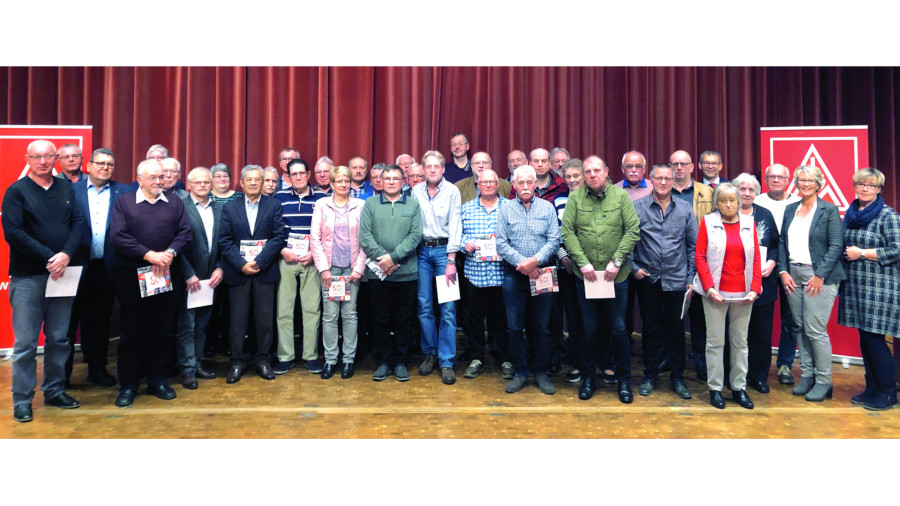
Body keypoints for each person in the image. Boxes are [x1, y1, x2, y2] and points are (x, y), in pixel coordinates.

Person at [3, 140, 85, 423]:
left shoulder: (66, 188)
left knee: (59, 338)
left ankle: (54, 390)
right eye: (36, 157)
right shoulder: (16, 191)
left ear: (56, 158)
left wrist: (66, 255)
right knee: (26, 344)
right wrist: (51, 257)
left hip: (64, 273)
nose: (43, 161)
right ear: (27, 159)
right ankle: (22, 399)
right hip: (29, 276)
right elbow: (13, 232)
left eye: (48, 156)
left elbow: (78, 223)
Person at [110, 159, 191, 408]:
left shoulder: (174, 202)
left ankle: (158, 380)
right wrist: (149, 255)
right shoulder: (124, 202)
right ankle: (129, 384)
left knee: (162, 329)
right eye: (153, 177)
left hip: (164, 274)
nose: (159, 181)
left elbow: (185, 232)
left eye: (162, 177)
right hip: (132, 276)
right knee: (132, 331)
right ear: (139, 179)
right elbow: (118, 236)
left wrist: (169, 253)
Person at [561, 156, 640, 403]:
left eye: (597, 170)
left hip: (616, 275)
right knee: (589, 328)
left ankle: (624, 381)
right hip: (586, 275)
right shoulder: (575, 198)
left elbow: (633, 230)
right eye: (588, 171)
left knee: (618, 328)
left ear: (606, 171)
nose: (592, 174)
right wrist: (582, 262)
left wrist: (617, 261)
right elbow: (567, 232)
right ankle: (588, 379)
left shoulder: (621, 197)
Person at [778, 165, 845, 402]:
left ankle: (824, 380)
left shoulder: (829, 210)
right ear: (796, 183)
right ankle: (807, 376)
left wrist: (820, 275)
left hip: (819, 276)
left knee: (815, 329)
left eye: (810, 180)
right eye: (801, 180)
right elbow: (782, 242)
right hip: (793, 274)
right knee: (799, 327)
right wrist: (783, 271)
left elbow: (836, 245)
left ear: (819, 184)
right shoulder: (790, 209)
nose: (805, 184)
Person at [631, 163, 697, 399]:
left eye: (667, 178)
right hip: (648, 279)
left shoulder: (685, 208)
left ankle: (677, 378)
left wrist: (690, 277)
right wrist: (634, 269)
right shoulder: (638, 207)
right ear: (651, 179)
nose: (663, 182)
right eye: (658, 178)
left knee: (676, 330)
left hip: (677, 279)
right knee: (650, 328)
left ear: (672, 181)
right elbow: (626, 241)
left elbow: (693, 246)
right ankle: (650, 375)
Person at [694, 182, 761, 410]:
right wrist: (709, 287)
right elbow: (700, 257)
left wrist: (755, 288)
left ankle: (738, 388)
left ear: (739, 202)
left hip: (744, 294)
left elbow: (756, 258)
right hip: (715, 293)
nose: (729, 204)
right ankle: (715, 388)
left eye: (732, 200)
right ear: (717, 203)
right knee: (715, 343)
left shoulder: (749, 223)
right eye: (723, 201)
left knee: (740, 343)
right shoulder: (708, 222)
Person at [66, 148, 129, 388]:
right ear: (89, 166)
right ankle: (62, 375)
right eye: (100, 163)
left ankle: (97, 369)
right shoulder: (71, 191)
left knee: (100, 321)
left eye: (110, 164)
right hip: (73, 266)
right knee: (68, 322)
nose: (105, 167)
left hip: (107, 266)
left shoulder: (124, 192)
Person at [839, 168, 900, 410]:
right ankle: (872, 388)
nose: (865, 188)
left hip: (880, 286)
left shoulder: (888, 215)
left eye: (871, 185)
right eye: (861, 184)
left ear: (879, 189)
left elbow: (896, 249)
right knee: (865, 339)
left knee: (875, 339)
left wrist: (862, 253)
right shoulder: (851, 214)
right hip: (855, 284)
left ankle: (888, 392)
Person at [496, 165, 560, 395]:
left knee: (542, 327)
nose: (525, 186)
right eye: (520, 182)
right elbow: (501, 243)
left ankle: (540, 372)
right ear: (514, 185)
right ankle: (521, 372)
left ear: (535, 184)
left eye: (529, 182)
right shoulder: (505, 209)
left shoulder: (547, 207)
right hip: (514, 274)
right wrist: (524, 265)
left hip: (544, 273)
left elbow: (554, 240)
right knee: (514, 327)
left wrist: (535, 261)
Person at [219, 165, 286, 384]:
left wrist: (259, 262)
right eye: (249, 179)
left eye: (258, 179)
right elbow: (225, 241)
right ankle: (237, 362)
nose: (254, 183)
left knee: (265, 319)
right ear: (241, 182)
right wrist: (241, 265)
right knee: (237, 320)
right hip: (238, 272)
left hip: (264, 271)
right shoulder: (230, 207)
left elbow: (278, 237)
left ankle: (263, 360)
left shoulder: (274, 205)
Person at [359, 165, 423, 382]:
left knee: (404, 320)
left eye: (396, 178)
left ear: (403, 182)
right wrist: (383, 259)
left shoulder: (413, 204)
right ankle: (384, 361)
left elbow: (415, 235)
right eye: (387, 178)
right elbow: (365, 235)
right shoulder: (370, 204)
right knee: (380, 320)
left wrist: (393, 258)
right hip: (378, 274)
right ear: (381, 181)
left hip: (406, 273)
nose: (392, 182)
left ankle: (401, 362)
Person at [310, 166, 367, 379]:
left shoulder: (360, 205)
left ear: (351, 183)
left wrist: (359, 269)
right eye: (339, 181)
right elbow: (315, 239)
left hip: (351, 269)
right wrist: (324, 269)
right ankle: (330, 360)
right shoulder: (322, 205)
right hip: (331, 270)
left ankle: (348, 360)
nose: (343, 184)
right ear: (332, 184)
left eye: (346, 181)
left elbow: (366, 239)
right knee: (330, 316)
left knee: (350, 315)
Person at [412, 150, 462, 385]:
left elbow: (456, 225)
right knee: (424, 305)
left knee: (448, 308)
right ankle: (429, 353)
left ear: (443, 169)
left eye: (436, 166)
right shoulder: (416, 191)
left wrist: (452, 260)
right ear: (423, 170)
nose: (432, 170)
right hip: (421, 252)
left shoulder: (452, 191)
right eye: (428, 166)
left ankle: (446, 360)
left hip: (444, 252)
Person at [273, 158, 326, 374]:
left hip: (312, 260)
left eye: (301, 173)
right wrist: (282, 249)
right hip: (286, 259)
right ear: (288, 177)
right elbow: (273, 228)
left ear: (308, 174)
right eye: (293, 174)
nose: (298, 177)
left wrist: (314, 253)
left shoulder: (322, 198)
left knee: (311, 310)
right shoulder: (279, 198)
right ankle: (285, 356)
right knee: (284, 310)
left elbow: (327, 231)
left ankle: (310, 356)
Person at [174, 167, 224, 389]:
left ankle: (197, 362)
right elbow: (175, 243)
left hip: (210, 278)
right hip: (188, 278)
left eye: (206, 182)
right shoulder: (180, 207)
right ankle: (187, 369)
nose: (203, 185)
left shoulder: (219, 208)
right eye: (198, 182)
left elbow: (225, 241)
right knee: (187, 325)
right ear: (189, 185)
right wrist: (188, 274)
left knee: (202, 324)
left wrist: (220, 267)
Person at [458, 169, 509, 379]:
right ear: (477, 185)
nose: (487, 185)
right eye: (483, 182)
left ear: (498, 184)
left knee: (502, 319)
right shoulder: (466, 208)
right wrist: (465, 243)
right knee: (474, 319)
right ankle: (476, 358)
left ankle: (505, 358)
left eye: (491, 182)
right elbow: (457, 235)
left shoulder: (509, 207)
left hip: (501, 274)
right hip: (474, 274)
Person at [754, 163, 801, 385]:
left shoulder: (798, 203)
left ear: (788, 180)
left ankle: (784, 364)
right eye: (771, 176)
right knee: (759, 320)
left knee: (790, 319)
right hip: (765, 268)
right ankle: (753, 366)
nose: (775, 180)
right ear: (765, 180)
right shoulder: (756, 201)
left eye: (780, 177)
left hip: (791, 268)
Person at [669, 149, 714, 381]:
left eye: (683, 164)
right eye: (674, 164)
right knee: (671, 317)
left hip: (702, 261)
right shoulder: (662, 190)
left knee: (700, 317)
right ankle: (669, 361)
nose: (679, 168)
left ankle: (701, 363)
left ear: (692, 167)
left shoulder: (707, 192)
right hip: (672, 264)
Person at [733, 173, 779, 394]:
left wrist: (772, 262)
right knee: (735, 334)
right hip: (732, 284)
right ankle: (734, 375)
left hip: (762, 285)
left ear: (756, 193)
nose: (746, 193)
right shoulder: (725, 213)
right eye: (742, 189)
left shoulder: (765, 214)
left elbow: (776, 244)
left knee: (760, 333)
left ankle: (759, 376)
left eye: (751, 189)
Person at [560, 159, 590, 384]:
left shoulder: (595, 197)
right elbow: (557, 233)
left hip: (595, 268)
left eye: (576, 176)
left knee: (598, 317)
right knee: (575, 319)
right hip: (569, 270)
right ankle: (580, 364)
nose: (571, 180)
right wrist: (565, 258)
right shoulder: (560, 200)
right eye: (568, 177)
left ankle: (603, 362)